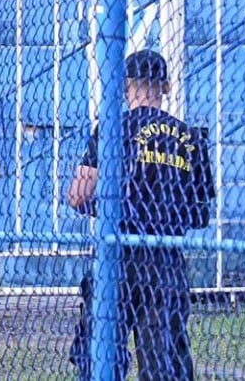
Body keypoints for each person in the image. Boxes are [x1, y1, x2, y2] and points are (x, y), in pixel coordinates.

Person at [67, 50, 213, 381]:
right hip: (165, 258)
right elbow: (200, 214)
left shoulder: (112, 129)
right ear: (166, 87)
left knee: (102, 349)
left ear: (125, 86)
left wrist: (106, 202)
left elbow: (78, 196)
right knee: (163, 359)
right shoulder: (191, 138)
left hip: (117, 254)